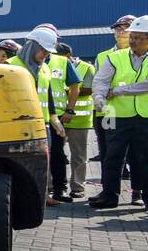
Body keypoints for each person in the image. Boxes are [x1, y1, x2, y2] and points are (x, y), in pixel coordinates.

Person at [90, 15, 148, 211]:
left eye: (138, 37)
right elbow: (101, 80)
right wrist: (100, 98)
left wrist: (118, 91)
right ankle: (109, 196)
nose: (132, 41)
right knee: (113, 156)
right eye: (132, 37)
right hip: (118, 115)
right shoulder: (114, 57)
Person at [8, 26, 61, 206]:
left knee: (43, 161)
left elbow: (48, 94)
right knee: (20, 161)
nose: (44, 55)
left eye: (47, 52)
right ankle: (18, 196)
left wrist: (54, 118)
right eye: (43, 51)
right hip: (18, 124)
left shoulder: (44, 68)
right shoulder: (10, 65)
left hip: (42, 124)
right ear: (32, 46)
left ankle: (42, 195)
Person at [92, 15, 135, 168]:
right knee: (108, 151)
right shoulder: (103, 56)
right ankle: (108, 188)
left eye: (125, 28)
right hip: (108, 111)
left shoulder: (144, 55)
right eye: (118, 29)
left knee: (136, 153)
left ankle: (136, 186)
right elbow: (98, 83)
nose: (121, 32)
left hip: (135, 112)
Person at [46, 41, 84, 203]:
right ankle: (42, 190)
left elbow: (75, 87)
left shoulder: (61, 61)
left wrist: (69, 109)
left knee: (57, 155)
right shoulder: (24, 62)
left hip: (57, 117)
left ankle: (59, 189)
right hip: (31, 116)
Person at [60, 43, 95, 199]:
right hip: (58, 118)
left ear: (67, 56)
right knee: (56, 155)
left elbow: (88, 89)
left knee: (79, 156)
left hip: (79, 119)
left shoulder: (87, 68)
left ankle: (78, 187)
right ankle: (56, 185)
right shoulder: (52, 67)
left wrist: (68, 91)